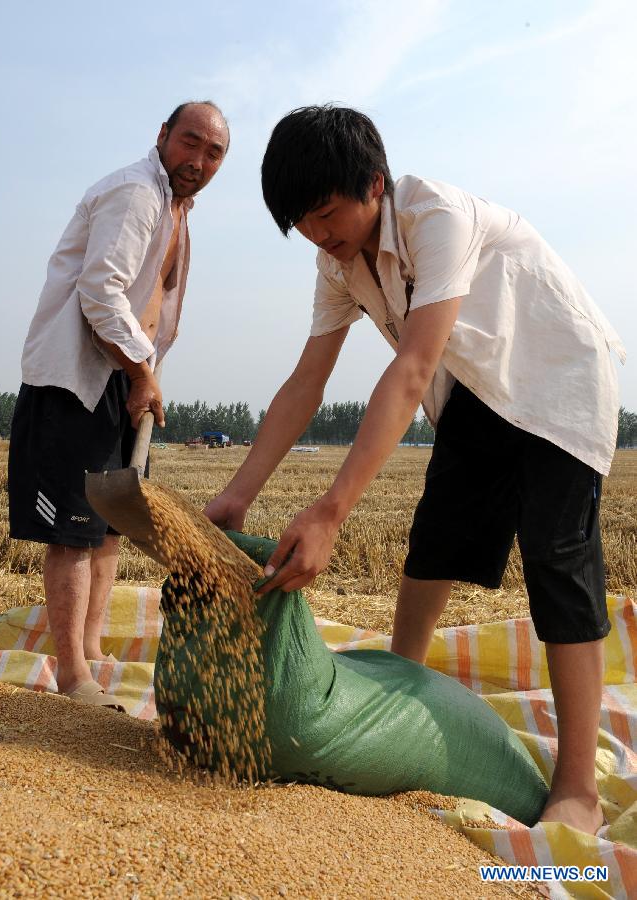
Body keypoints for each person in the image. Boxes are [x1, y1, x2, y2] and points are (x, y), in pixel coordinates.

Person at [204, 105, 625, 834]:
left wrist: (331, 512)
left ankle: (578, 785)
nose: (317, 234)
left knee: (558, 563)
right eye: (300, 222)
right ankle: (398, 689)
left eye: (326, 213)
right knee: (433, 545)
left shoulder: (436, 216)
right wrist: (237, 493)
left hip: (557, 384)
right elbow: (307, 381)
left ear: (374, 184)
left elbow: (412, 365)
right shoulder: (336, 261)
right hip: (477, 390)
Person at [9, 101, 229, 709]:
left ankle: (93, 649)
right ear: (162, 136)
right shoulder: (136, 193)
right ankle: (72, 673)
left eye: (214, 153)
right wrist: (140, 371)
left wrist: (143, 375)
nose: (199, 160)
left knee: (109, 527)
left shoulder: (177, 212)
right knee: (74, 532)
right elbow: (100, 293)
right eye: (190, 142)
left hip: (122, 377)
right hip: (79, 380)